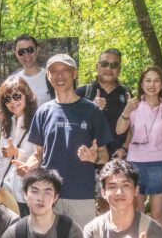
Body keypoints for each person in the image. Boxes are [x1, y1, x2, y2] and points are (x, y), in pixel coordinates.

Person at [19, 53, 114, 226]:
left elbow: (105, 155)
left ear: (74, 74)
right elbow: (38, 154)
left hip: (81, 194)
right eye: (54, 71)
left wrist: (94, 158)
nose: (60, 76)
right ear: (48, 76)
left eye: (65, 70)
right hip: (48, 195)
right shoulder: (43, 112)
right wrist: (28, 165)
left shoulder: (91, 110)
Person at [118, 66, 162, 229]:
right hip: (134, 164)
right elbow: (119, 130)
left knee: (158, 215)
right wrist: (127, 109)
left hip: (160, 164)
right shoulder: (133, 106)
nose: (151, 84)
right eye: (147, 80)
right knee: (136, 213)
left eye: (156, 81)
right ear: (141, 84)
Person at [0, 78, 38, 216]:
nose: (12, 102)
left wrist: (17, 152)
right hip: (8, 190)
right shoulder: (7, 123)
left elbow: (41, 156)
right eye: (7, 99)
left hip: (29, 190)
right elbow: (1, 158)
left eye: (17, 96)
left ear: (27, 95)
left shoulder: (38, 122)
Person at [76, 48, 131, 160]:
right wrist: (91, 107)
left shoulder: (126, 94)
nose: (109, 68)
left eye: (114, 65)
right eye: (104, 64)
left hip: (119, 160)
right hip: (90, 161)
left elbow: (133, 127)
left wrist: (124, 148)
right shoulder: (82, 92)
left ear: (119, 69)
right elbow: (72, 125)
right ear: (97, 67)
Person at [0, 35, 53, 120]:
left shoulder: (51, 77)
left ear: (37, 49)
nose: (26, 55)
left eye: (30, 50)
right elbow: (1, 116)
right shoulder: (12, 81)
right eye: (21, 52)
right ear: (16, 54)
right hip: (21, 132)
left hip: (46, 131)